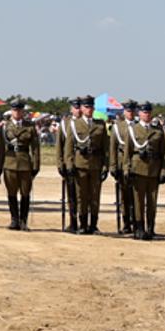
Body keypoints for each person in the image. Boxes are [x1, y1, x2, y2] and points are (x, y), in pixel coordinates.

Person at [62, 96, 107, 235]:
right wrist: (69, 165)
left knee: (94, 196)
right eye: (87, 107)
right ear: (81, 108)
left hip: (95, 165)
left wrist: (105, 166)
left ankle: (93, 225)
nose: (89, 109)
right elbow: (69, 147)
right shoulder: (74, 124)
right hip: (80, 165)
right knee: (81, 196)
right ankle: (82, 224)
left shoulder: (100, 125)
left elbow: (105, 148)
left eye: (91, 107)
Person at [0, 101, 39, 231]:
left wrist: (36, 165)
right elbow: (0, 149)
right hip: (9, 162)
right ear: (11, 111)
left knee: (25, 193)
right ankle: (14, 220)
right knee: (11, 192)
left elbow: (35, 149)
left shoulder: (30, 127)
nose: (17, 112)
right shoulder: (5, 127)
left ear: (23, 111)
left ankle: (23, 221)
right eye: (15, 110)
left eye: (19, 110)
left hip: (25, 163)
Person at [126, 102, 165, 240]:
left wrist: (163, 171)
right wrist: (127, 169)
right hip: (138, 170)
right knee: (138, 201)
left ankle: (150, 228)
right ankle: (139, 228)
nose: (147, 115)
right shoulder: (133, 130)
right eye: (144, 112)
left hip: (154, 170)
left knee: (152, 202)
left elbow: (163, 154)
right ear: (139, 113)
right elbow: (127, 152)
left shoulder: (158, 131)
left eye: (149, 112)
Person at [111, 101, 138, 236]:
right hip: (123, 165)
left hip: (138, 165)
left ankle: (137, 222)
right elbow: (113, 148)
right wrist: (113, 166)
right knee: (125, 196)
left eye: (132, 111)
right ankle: (126, 222)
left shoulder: (139, 126)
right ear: (124, 112)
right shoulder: (118, 127)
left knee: (137, 196)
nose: (130, 113)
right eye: (128, 111)